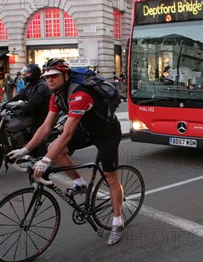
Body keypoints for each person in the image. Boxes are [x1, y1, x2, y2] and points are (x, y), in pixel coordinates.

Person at [8, 59, 125, 246]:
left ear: (66, 75)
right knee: (55, 148)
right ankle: (79, 183)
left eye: (54, 76)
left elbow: (68, 133)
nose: (50, 81)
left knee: (111, 177)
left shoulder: (79, 95)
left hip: (106, 133)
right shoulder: (56, 96)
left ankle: (117, 222)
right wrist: (25, 149)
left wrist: (46, 161)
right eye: (47, 77)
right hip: (86, 129)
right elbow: (46, 127)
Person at [7, 64, 51, 135]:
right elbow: (20, 96)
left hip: (42, 114)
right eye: (25, 74)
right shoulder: (30, 85)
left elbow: (34, 102)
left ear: (34, 74)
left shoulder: (42, 85)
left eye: (28, 74)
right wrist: (6, 104)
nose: (25, 75)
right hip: (33, 113)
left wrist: (21, 108)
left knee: (35, 133)